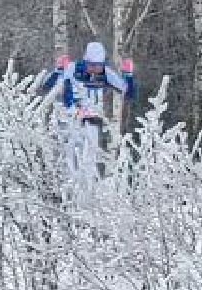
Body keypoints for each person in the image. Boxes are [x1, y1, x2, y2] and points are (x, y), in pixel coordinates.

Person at [42, 40, 139, 195]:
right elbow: (48, 86)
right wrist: (58, 71)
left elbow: (128, 92)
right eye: (91, 65)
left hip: (92, 123)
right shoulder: (73, 69)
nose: (94, 70)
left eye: (98, 65)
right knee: (70, 161)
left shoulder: (105, 73)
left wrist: (128, 75)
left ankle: (86, 197)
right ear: (86, 62)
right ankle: (67, 194)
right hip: (71, 122)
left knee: (88, 163)